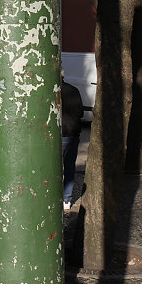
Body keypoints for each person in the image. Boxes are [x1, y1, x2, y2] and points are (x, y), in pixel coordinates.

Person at [61, 72, 84, 211]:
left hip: (59, 133)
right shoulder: (74, 90)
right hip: (73, 133)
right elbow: (80, 112)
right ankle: (66, 199)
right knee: (69, 166)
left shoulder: (51, 92)